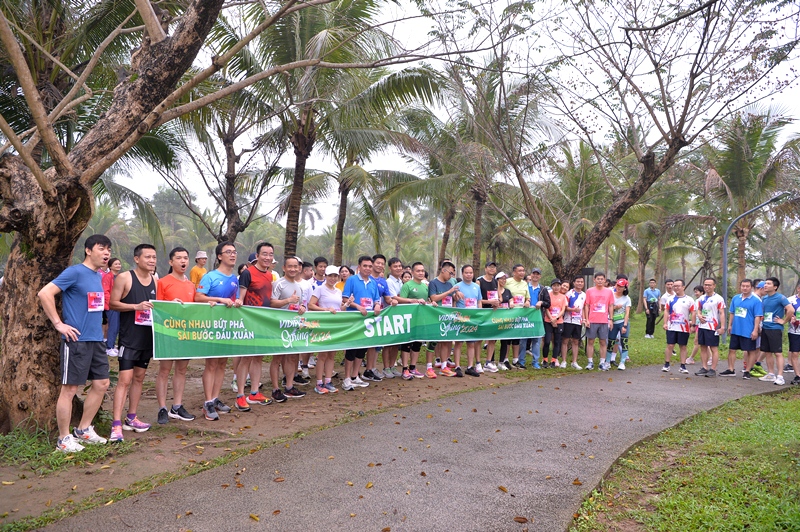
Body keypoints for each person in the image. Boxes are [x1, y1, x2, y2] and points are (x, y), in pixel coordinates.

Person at [38, 234, 112, 452]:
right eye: (101, 248)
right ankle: (63, 439)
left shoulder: (98, 276)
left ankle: (84, 430)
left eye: (108, 249)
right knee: (70, 388)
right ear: (88, 250)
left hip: (96, 339)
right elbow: (45, 293)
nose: (106, 253)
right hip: (76, 340)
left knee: (102, 383)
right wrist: (58, 324)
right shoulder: (75, 272)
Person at [109, 244, 158, 441]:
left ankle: (131, 417)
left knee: (139, 377)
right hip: (129, 338)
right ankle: (116, 424)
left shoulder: (155, 280)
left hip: (147, 338)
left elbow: (159, 305)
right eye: (148, 257)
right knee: (125, 380)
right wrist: (135, 306)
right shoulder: (125, 277)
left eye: (154, 257)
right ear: (137, 259)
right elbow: (113, 303)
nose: (152, 260)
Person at [155, 247, 204, 425]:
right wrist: (169, 304)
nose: (183, 261)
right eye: (179, 258)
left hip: (185, 333)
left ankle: (177, 406)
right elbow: (156, 307)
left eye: (185, 258)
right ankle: (162, 408)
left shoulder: (191, 285)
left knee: (182, 370)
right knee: (164, 370)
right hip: (167, 332)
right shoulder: (162, 282)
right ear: (171, 262)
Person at [195, 242, 243, 420]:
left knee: (222, 362)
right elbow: (198, 297)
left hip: (227, 326)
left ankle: (215, 398)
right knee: (212, 363)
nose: (233, 255)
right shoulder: (210, 276)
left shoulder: (235, 279)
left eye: (234, 252)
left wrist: (238, 302)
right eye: (228, 252)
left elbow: (235, 299)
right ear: (220, 256)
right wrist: (219, 300)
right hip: (211, 325)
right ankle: (207, 402)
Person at [234, 243, 277, 411]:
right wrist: (239, 301)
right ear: (257, 256)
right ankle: (240, 396)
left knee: (258, 357)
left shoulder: (270, 275)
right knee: (246, 358)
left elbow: (269, 300)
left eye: (270, 254)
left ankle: (254, 393)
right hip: (249, 321)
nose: (267, 257)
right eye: (264, 254)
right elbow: (241, 298)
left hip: (263, 322)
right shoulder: (247, 273)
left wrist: (288, 301)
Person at [341, 255, 383, 390]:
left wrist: (377, 305)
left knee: (362, 350)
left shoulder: (373, 282)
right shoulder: (352, 280)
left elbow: (376, 299)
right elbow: (345, 298)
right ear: (359, 267)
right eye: (365, 266)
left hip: (367, 321)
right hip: (354, 320)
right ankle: (347, 378)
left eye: (370, 266)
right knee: (351, 350)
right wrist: (358, 306)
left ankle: (355, 376)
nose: (368, 268)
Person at [270, 256, 309, 399]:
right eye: (290, 266)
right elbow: (272, 303)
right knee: (277, 358)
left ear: (299, 268)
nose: (293, 269)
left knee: (293, 357)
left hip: (293, 327)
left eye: (295, 266)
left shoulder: (299, 286)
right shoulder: (278, 284)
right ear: (284, 268)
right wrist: (288, 300)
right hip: (278, 326)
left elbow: (301, 304)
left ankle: (289, 386)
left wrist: (302, 307)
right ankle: (275, 389)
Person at [308, 265, 345, 394]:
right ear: (325, 276)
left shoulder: (338, 291)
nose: (332, 278)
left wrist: (345, 305)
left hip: (335, 325)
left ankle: (328, 381)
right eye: (330, 276)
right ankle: (319, 383)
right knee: (322, 354)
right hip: (323, 325)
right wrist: (325, 309)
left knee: (331, 354)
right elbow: (310, 305)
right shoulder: (319, 289)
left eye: (335, 276)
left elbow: (338, 308)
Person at [397, 262, 435, 378]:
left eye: (422, 271)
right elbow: (401, 300)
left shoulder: (425, 286)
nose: (421, 273)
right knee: (407, 343)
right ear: (412, 272)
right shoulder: (407, 285)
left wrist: (431, 303)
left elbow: (426, 302)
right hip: (409, 319)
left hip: (421, 319)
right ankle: (405, 368)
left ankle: (413, 367)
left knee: (417, 344)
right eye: (418, 271)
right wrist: (413, 301)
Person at [363, 254, 394, 382]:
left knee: (375, 344)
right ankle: (355, 374)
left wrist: (393, 301)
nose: (380, 265)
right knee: (362, 346)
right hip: (363, 315)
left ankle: (371, 368)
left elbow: (387, 298)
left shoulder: (383, 281)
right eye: (378, 263)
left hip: (378, 315)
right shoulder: (366, 279)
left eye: (382, 264)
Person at [724, 279, 762, 379]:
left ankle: (747, 371)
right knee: (732, 349)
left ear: (751, 287)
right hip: (736, 329)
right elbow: (732, 312)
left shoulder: (756, 300)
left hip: (748, 330)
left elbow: (757, 316)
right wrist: (730, 325)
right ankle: (731, 369)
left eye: (747, 286)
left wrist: (755, 330)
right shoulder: (736, 298)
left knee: (750, 351)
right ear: (740, 286)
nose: (745, 288)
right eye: (743, 286)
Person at [758, 277, 793, 385]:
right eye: (765, 283)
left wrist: (784, 321)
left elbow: (791, 309)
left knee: (777, 353)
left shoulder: (780, 298)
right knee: (767, 352)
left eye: (768, 283)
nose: (765, 285)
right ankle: (771, 374)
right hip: (765, 327)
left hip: (775, 329)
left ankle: (780, 377)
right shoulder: (764, 298)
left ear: (775, 287)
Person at [694, 278, 726, 378]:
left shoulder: (718, 298)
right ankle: (704, 367)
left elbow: (722, 313)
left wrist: (722, 327)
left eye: (709, 285)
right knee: (703, 347)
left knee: (713, 348)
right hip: (702, 326)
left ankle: (713, 369)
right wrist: (699, 315)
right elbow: (699, 309)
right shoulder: (701, 298)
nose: (707, 286)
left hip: (713, 327)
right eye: (705, 284)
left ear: (714, 286)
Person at [453, 264, 482, 377]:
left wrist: (480, 314)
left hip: (473, 318)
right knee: (459, 343)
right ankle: (457, 366)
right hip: (461, 318)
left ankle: (470, 367)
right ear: (462, 273)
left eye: (470, 273)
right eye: (466, 273)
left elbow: (479, 301)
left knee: (471, 343)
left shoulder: (476, 287)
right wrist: (456, 295)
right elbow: (453, 301)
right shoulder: (457, 286)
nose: (469, 275)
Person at [662, 279, 695, 374]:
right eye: (674, 286)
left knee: (683, 346)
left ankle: (683, 366)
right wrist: (665, 323)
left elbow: (693, 312)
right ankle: (667, 364)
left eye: (678, 286)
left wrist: (693, 325)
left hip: (684, 327)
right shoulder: (670, 299)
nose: (676, 288)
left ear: (683, 287)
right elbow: (666, 311)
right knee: (670, 345)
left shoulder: (689, 300)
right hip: (672, 326)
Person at [582, 272, 614, 370]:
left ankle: (602, 363)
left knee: (603, 341)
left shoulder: (609, 292)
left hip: (604, 320)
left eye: (602, 279)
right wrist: (586, 319)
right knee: (590, 341)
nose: (600, 281)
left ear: (605, 280)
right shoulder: (589, 291)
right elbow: (586, 305)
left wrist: (611, 319)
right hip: (592, 320)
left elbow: (610, 306)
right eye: (598, 279)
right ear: (594, 280)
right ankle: (590, 362)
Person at [518, 267, 548, 368]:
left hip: (537, 318)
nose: (535, 276)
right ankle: (521, 360)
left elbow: (548, 303)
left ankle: (535, 361)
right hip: (525, 317)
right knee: (523, 340)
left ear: (540, 276)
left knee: (536, 341)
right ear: (531, 275)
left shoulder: (543, 289)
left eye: (537, 274)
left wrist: (541, 302)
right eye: (534, 273)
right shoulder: (525, 287)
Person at [504, 265, 532, 369]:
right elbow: (502, 292)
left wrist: (527, 302)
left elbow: (527, 297)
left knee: (516, 337)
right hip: (509, 312)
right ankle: (505, 359)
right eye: (519, 271)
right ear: (514, 272)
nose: (522, 273)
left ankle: (516, 359)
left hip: (520, 313)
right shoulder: (508, 281)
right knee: (508, 337)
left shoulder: (525, 283)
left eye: (523, 271)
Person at [382, 257, 405, 377]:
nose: (398, 268)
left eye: (400, 266)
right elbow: (394, 297)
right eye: (395, 266)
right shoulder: (389, 282)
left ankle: (392, 366)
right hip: (389, 315)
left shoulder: (401, 281)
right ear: (390, 268)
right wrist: (411, 300)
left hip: (400, 315)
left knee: (396, 343)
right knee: (388, 343)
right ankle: (386, 367)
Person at [604, 277, 631, 370]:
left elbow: (627, 312)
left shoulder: (627, 299)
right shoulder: (611, 295)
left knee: (624, 342)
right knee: (611, 342)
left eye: (621, 286)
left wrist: (625, 325)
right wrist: (614, 310)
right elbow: (608, 308)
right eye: (617, 285)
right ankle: (607, 362)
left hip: (622, 322)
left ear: (625, 288)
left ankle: (622, 362)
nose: (618, 288)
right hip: (613, 322)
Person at [478, 261, 500, 372]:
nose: (492, 269)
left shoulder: (496, 282)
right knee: (479, 339)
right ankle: (477, 362)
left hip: (493, 313)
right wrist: (489, 301)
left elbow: (499, 297)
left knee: (492, 339)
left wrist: (497, 302)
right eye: (490, 267)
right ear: (485, 268)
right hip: (482, 313)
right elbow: (477, 299)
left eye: (494, 267)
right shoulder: (479, 281)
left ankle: (488, 362)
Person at [562, 276, 586, 369]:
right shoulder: (569, 293)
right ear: (574, 283)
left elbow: (583, 308)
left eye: (581, 282)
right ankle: (564, 361)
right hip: (568, 320)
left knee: (576, 341)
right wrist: (573, 310)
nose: (580, 283)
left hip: (578, 321)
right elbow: (564, 307)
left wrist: (584, 319)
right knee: (565, 340)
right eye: (578, 281)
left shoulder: (584, 295)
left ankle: (574, 362)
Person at [543, 278, 566, 368]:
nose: (556, 287)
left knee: (557, 342)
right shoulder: (548, 295)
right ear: (551, 286)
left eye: (558, 286)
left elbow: (563, 309)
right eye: (554, 286)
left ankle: (553, 360)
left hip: (559, 321)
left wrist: (556, 318)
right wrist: (551, 319)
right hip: (548, 321)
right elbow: (546, 308)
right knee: (547, 341)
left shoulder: (563, 297)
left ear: (560, 287)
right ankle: (545, 360)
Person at [103, 257, 122, 356]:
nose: (118, 265)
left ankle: (112, 344)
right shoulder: (108, 277)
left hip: (119, 305)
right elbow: (105, 291)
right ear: (110, 266)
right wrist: (110, 303)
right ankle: (109, 347)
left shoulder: (120, 277)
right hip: (111, 306)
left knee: (117, 326)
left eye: (119, 264)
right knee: (113, 326)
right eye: (116, 264)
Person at [686, 285, 705, 365]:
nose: (695, 293)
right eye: (695, 292)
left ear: (702, 292)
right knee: (704, 343)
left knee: (697, 341)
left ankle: (691, 358)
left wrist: (693, 324)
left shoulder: (702, 300)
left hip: (701, 323)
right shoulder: (697, 300)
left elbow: (698, 313)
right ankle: (711, 358)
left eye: (697, 291)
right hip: (698, 323)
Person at [786, 282, 800, 385]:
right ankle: (797, 376)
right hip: (794, 332)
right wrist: (790, 317)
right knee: (795, 353)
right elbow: (785, 312)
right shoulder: (790, 300)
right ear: (798, 289)